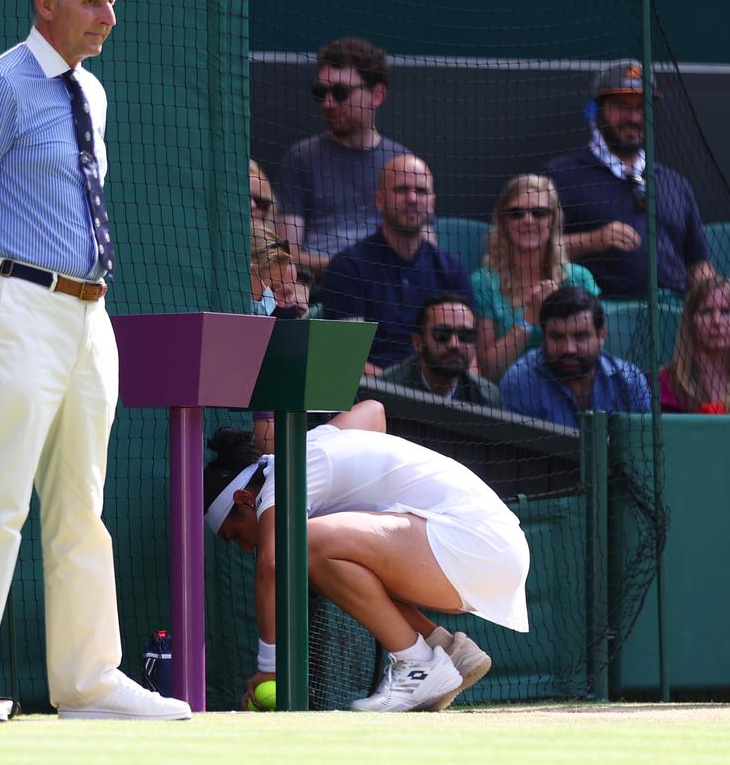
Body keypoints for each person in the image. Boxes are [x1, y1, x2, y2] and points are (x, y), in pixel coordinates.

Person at [0, 0, 190, 722]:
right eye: (93, 0)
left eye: (114, 1)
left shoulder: (92, 92)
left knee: (81, 506)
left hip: (90, 314)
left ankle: (90, 682)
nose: (110, 15)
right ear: (45, 2)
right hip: (14, 303)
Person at [202, 401, 530, 713]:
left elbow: (272, 563)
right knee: (322, 549)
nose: (246, 547)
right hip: (488, 548)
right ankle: (443, 649)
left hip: (472, 544)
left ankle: (417, 664)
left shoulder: (281, 478)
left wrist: (269, 670)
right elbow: (374, 411)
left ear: (245, 498)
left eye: (235, 535)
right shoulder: (318, 442)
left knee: (299, 543)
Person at [545, 59, 714, 298]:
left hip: (673, 314)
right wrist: (594, 240)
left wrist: (710, 301)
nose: (634, 117)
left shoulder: (675, 183)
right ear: (597, 109)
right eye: (621, 106)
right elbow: (534, 253)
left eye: (642, 106)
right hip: (596, 317)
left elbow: (699, 264)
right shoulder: (560, 175)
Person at [320, 154, 472, 375]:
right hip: (374, 397)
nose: (412, 199)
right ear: (379, 200)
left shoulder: (452, 268)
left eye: (421, 191)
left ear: (432, 203)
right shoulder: (349, 267)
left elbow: (469, 352)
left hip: (443, 392)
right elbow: (348, 360)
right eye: (401, 190)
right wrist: (410, 394)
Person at [278, 37, 410, 278]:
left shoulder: (402, 163)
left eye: (340, 92)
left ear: (377, 95)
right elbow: (287, 255)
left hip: (387, 292)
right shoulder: (300, 158)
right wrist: (349, 268)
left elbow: (423, 246)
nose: (328, 103)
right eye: (320, 92)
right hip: (321, 294)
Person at [472, 174, 602, 381]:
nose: (528, 220)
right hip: (506, 400)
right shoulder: (483, 282)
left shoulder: (579, 278)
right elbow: (489, 371)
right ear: (503, 221)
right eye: (516, 213)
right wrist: (530, 318)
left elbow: (596, 354)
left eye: (539, 212)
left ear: (553, 220)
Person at [499, 286, 650, 427]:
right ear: (544, 337)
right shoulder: (519, 382)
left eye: (580, 337)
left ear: (601, 336)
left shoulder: (630, 381)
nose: (568, 349)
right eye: (557, 337)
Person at [380, 292, 501, 406]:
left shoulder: (487, 398)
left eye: (465, 335)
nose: (455, 344)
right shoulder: (386, 391)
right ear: (418, 343)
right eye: (442, 334)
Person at [658, 276, 730, 413]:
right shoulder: (665, 383)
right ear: (691, 322)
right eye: (706, 312)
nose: (717, 321)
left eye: (726, 312)